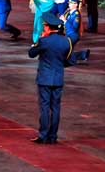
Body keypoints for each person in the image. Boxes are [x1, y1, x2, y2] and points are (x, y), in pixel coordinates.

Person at [28, 12, 73, 144]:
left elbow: (31, 54)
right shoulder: (67, 41)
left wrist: (38, 40)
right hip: (58, 78)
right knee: (56, 107)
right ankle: (53, 136)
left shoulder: (44, 41)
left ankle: (43, 135)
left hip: (44, 78)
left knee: (45, 107)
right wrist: (59, 65)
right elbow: (71, 61)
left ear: (47, 27)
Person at [60, 0, 90, 64]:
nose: (69, 4)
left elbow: (74, 28)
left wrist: (65, 21)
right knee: (67, 52)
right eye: (69, 3)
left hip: (73, 35)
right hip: (68, 34)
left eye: (71, 3)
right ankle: (83, 54)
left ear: (76, 4)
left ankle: (75, 58)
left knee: (65, 50)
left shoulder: (76, 15)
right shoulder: (69, 12)